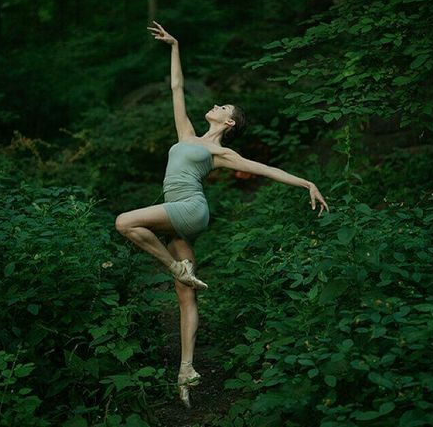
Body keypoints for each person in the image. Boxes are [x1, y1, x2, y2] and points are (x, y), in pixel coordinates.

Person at [115, 20, 330, 407]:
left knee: (124, 222)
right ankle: (186, 371)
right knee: (185, 296)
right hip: (182, 220)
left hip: (189, 208)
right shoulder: (186, 135)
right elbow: (176, 88)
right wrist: (175, 45)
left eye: (222, 107)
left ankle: (175, 267)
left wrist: (306, 183)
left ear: (228, 122)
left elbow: (267, 170)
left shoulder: (219, 152)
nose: (214, 106)